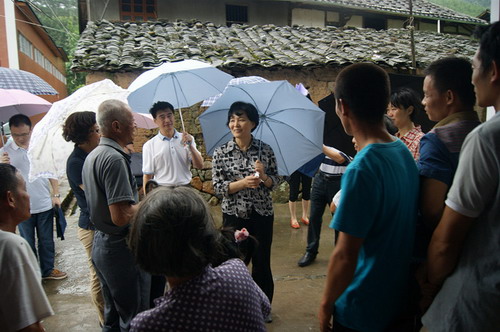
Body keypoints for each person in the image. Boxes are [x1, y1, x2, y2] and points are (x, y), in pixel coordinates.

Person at [319, 63, 419, 332]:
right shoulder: (403, 152)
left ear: (343, 106)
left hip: (361, 308)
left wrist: (326, 304)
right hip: (398, 300)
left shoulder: (361, 168)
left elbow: (345, 255)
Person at [420, 21, 500, 331]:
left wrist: (430, 283)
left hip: (477, 296)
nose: (473, 78)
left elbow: (442, 231)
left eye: (476, 66)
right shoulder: (477, 131)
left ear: (493, 70)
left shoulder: (485, 138)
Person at [128, 186, 270, 332]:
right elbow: (264, 307)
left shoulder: (148, 324)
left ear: (145, 246)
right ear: (209, 235)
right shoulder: (237, 271)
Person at [82, 99, 150, 331]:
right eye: (131, 122)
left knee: (112, 316)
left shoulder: (93, 155)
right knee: (134, 317)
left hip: (102, 245)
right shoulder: (114, 159)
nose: (136, 127)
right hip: (120, 249)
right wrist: (150, 202)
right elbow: (121, 216)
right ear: (116, 126)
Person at [212, 101, 280, 321]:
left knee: (262, 262)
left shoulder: (265, 150)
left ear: (252, 123)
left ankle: (263, 308)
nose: (236, 123)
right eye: (232, 119)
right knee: (233, 263)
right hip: (233, 215)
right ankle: (235, 307)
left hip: (261, 215)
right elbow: (218, 188)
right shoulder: (221, 153)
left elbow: (276, 183)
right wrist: (243, 183)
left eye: (241, 119)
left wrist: (265, 176)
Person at [0, 114, 66, 280]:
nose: (21, 138)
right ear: (10, 134)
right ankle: (32, 272)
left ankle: (48, 270)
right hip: (20, 207)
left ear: (31, 130)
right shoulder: (5, 153)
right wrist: (1, 165)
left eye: (24, 134)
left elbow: (50, 170)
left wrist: (56, 194)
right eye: (16, 135)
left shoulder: (39, 147)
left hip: (43, 201)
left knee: (46, 240)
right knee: (27, 241)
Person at [419, 57, 481, 231]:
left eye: (427, 95)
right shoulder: (486, 134)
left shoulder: (437, 140)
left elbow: (432, 211)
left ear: (448, 97)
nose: (423, 102)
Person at [62, 111, 104, 325]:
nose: (100, 134)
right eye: (96, 131)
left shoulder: (94, 153)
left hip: (102, 223)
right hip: (90, 227)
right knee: (97, 275)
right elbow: (94, 192)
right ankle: (104, 320)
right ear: (86, 134)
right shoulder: (76, 162)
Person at [0, 163, 54, 331]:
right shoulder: (10, 246)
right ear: (11, 198)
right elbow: (28, 324)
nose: (29, 196)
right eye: (24, 189)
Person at [297, 145, 352, 267]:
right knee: (314, 217)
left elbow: (341, 158)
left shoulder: (348, 139)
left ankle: (340, 254)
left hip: (339, 182)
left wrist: (319, 145)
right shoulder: (323, 136)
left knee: (338, 220)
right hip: (320, 179)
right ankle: (310, 251)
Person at [142, 101, 203, 192]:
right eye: (162, 117)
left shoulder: (187, 139)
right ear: (155, 121)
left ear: (174, 117)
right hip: (162, 191)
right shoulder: (149, 145)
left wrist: (190, 147)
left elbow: (200, 165)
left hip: (185, 189)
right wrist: (147, 201)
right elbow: (147, 175)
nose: (167, 120)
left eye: (169, 115)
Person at [387, 87, 425, 160]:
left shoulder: (420, 141)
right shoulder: (391, 138)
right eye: (388, 110)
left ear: (409, 110)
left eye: (394, 109)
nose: (389, 114)